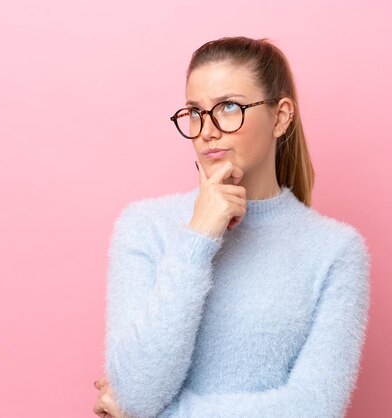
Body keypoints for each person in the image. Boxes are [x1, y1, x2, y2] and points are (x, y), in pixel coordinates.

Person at [92, 36, 371, 418]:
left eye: (227, 107)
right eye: (194, 112)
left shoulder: (335, 250)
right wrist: (198, 238)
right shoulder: (144, 227)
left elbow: (315, 408)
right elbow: (137, 393)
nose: (206, 130)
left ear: (281, 117)